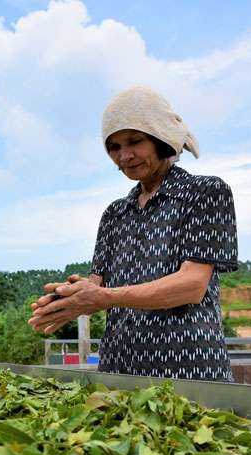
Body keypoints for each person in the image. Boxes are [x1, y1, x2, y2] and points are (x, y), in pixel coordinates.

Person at [29, 86, 238, 382]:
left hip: (187, 369)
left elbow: (192, 284)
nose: (124, 156)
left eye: (134, 141)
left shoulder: (204, 193)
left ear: (160, 138)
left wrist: (102, 296)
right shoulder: (114, 214)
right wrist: (69, 297)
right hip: (119, 369)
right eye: (113, 147)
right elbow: (98, 285)